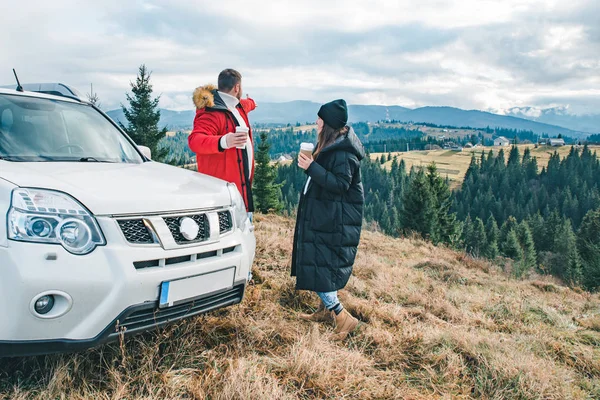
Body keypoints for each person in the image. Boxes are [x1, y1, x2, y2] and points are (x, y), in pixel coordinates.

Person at [291, 99, 365, 340]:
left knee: (322, 271)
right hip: (326, 218)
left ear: (329, 124)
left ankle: (343, 318)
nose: (316, 123)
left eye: (320, 119)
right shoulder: (334, 144)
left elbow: (341, 184)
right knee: (319, 267)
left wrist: (312, 167)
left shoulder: (344, 153)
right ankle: (324, 312)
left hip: (334, 222)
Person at [189, 69, 257, 283]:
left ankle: (244, 272)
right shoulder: (211, 112)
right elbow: (195, 141)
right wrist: (223, 141)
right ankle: (225, 277)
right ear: (237, 87)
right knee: (228, 235)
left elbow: (247, 104)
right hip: (224, 189)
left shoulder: (238, 106)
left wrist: (252, 102)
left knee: (245, 229)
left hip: (242, 186)